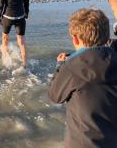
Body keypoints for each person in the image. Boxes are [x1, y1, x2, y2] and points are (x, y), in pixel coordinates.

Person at [48, 8, 117, 148]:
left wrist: (60, 66)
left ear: (75, 38)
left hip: (82, 143)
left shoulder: (71, 67)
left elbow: (55, 96)